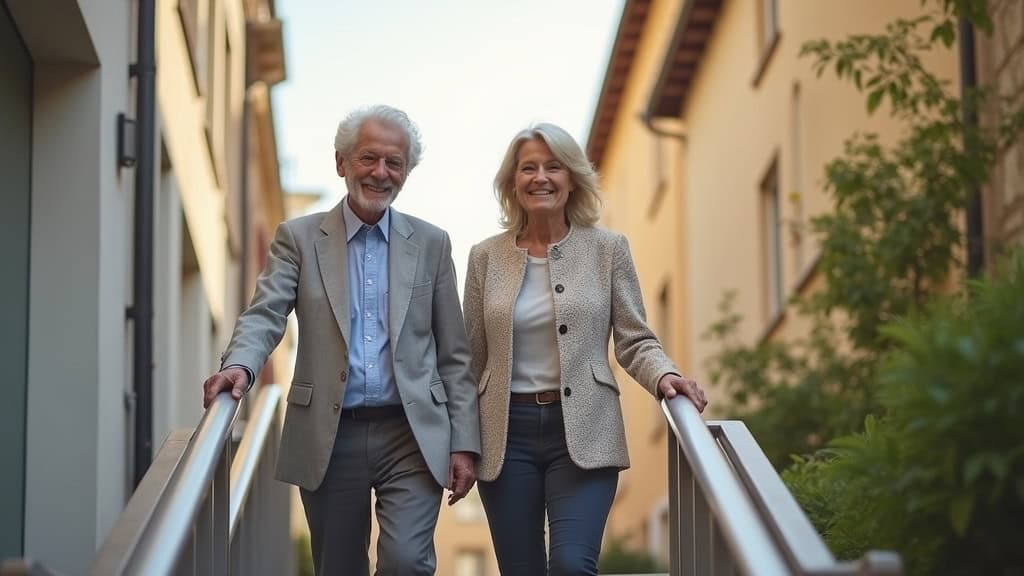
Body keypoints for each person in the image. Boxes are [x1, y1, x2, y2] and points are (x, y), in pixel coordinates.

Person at [202, 104, 480, 576]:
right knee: (338, 567)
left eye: (395, 163)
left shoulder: (433, 244)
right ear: (341, 163)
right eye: (369, 158)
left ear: (406, 173)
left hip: (411, 432)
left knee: (408, 563)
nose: (381, 172)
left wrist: (464, 442)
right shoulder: (299, 237)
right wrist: (242, 366)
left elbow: (453, 354)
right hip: (330, 432)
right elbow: (266, 312)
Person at [462, 122, 708, 575]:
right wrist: (460, 443)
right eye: (528, 168)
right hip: (504, 435)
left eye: (553, 166)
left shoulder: (608, 249)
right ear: (512, 182)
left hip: (585, 430)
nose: (541, 177)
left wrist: (664, 375)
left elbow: (634, 338)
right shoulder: (485, 257)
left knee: (573, 566)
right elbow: (470, 361)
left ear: (572, 177)